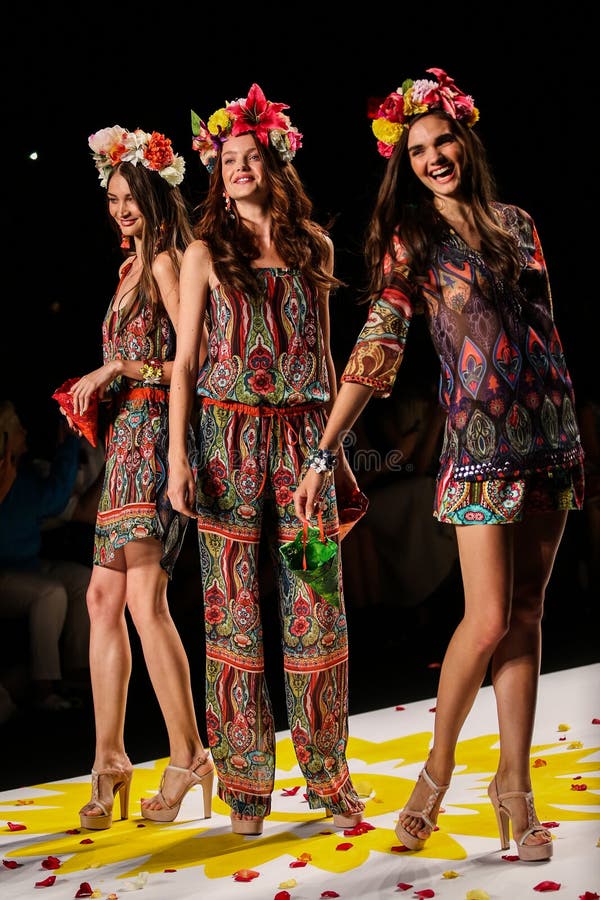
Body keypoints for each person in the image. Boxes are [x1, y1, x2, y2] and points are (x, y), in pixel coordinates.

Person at [294, 68, 585, 862]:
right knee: (486, 617)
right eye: (416, 148)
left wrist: (565, 420)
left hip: (548, 439)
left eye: (442, 140)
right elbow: (377, 349)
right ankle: (439, 765)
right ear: (406, 161)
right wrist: (327, 448)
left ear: (465, 139)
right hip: (480, 449)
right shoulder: (412, 241)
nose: (432, 157)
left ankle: (515, 791)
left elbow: (544, 329)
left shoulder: (519, 224)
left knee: (527, 615)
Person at [167, 83, 365, 835]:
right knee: (232, 613)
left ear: (274, 163)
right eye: (230, 159)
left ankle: (328, 779)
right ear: (219, 173)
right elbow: (185, 364)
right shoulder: (202, 250)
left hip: (304, 442)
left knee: (318, 603)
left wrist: (332, 447)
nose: (241, 167)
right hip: (225, 438)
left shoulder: (314, 242)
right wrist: (179, 460)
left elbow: (328, 352)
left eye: (253, 156)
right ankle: (246, 790)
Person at [65, 125, 212, 830]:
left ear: (157, 192)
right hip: (124, 442)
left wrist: (121, 369)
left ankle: (189, 752)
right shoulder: (131, 267)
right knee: (102, 598)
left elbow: (197, 363)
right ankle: (110, 758)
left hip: (157, 440)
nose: (122, 208)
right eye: (113, 197)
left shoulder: (168, 262)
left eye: (133, 196)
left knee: (145, 600)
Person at [0, 399, 91, 712]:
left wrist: (67, 444)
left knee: (83, 581)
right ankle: (44, 688)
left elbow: (51, 498)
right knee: (49, 593)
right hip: (6, 572)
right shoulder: (6, 480)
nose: (24, 432)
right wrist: (68, 446)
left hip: (29, 565)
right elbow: (53, 501)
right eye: (17, 429)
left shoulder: (20, 474)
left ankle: (77, 672)